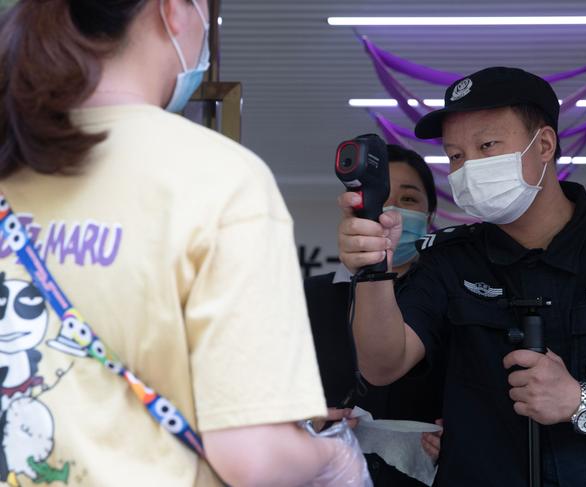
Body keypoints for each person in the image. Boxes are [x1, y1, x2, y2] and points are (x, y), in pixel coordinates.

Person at [0, 1, 369, 486]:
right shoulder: (218, 179)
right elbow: (254, 459)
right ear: (173, 9)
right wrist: (335, 461)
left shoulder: (14, 157)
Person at [337, 66, 586, 486]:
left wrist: (580, 398)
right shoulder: (449, 260)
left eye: (487, 146)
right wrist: (372, 270)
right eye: (455, 156)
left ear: (543, 145)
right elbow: (382, 365)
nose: (468, 168)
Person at [305, 144, 443, 486]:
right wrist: (307, 424)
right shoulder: (314, 296)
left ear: (430, 216)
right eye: (380, 199)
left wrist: (463, 440)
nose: (392, 212)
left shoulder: (452, 297)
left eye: (409, 199)